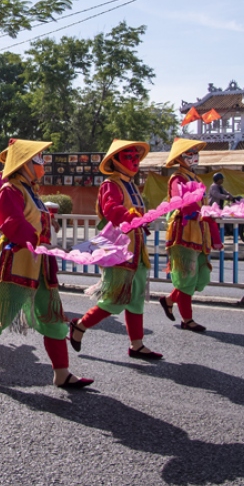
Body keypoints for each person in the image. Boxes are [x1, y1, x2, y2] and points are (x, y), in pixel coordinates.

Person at [0, 139, 92, 390]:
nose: (43, 163)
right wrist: (41, 241)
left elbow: (32, 220)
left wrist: (49, 227)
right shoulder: (10, 190)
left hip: (40, 266)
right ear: (24, 163)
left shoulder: (31, 190)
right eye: (39, 158)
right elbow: (11, 223)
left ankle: (62, 373)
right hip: (16, 264)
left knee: (53, 318)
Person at [70, 139, 163, 361]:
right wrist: (133, 217)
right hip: (118, 251)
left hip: (137, 250)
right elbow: (112, 210)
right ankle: (80, 325)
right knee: (115, 299)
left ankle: (137, 344)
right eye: (128, 156)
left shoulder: (130, 185)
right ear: (115, 161)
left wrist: (143, 221)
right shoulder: (110, 185)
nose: (134, 160)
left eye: (136, 156)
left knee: (136, 297)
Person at [157, 139, 215, 333]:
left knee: (200, 275)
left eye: (195, 152)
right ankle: (187, 319)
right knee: (186, 275)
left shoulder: (195, 178)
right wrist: (195, 211)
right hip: (183, 231)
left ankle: (169, 300)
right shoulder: (177, 178)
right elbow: (182, 202)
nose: (194, 156)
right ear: (180, 158)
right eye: (189, 153)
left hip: (199, 231)